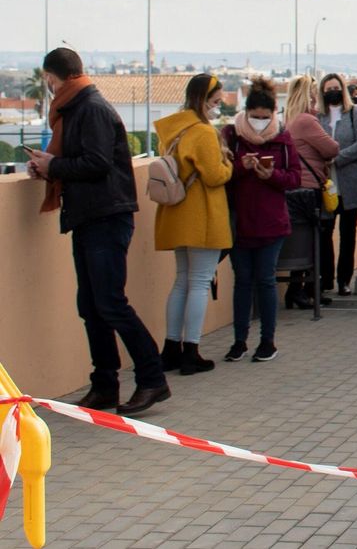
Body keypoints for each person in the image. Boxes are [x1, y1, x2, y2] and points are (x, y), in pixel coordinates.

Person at [27, 48, 170, 415]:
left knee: (110, 303)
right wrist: (50, 167)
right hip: (91, 216)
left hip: (106, 215)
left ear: (51, 77)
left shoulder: (88, 107)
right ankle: (104, 385)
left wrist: (55, 163)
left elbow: (97, 161)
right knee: (92, 305)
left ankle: (152, 379)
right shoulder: (79, 105)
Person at [152, 73, 234, 377]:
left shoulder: (172, 130)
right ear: (204, 99)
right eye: (215, 100)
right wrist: (229, 165)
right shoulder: (202, 132)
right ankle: (191, 351)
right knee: (200, 282)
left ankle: (170, 348)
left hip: (176, 215)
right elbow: (214, 176)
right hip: (202, 216)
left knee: (181, 281)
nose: (217, 105)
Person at [220, 77, 300, 363]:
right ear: (246, 112)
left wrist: (272, 176)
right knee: (242, 281)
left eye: (264, 118)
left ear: (273, 115)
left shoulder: (283, 138)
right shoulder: (231, 136)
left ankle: (268, 340)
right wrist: (241, 168)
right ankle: (239, 340)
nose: (258, 123)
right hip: (240, 223)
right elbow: (223, 177)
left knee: (265, 280)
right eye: (254, 117)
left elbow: (294, 177)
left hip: (272, 223)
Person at [283, 76, 340, 308]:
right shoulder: (307, 121)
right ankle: (302, 291)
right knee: (314, 241)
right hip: (310, 188)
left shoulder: (290, 120)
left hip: (296, 187)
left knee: (303, 240)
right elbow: (332, 147)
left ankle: (302, 290)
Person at [318, 74, 357, 297]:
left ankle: (344, 280)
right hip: (326, 183)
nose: (332, 91)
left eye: (335, 87)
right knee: (325, 232)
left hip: (350, 181)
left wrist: (338, 158)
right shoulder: (318, 116)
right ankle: (326, 279)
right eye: (328, 88)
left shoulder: (355, 113)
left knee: (348, 233)